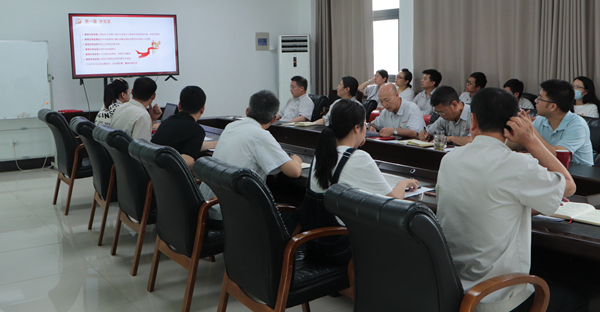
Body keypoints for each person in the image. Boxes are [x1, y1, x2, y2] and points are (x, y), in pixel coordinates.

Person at [436, 87, 585, 312]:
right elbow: (569, 186)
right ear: (512, 123)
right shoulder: (518, 165)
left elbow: (490, 204)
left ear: (473, 120)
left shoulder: (450, 160)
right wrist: (531, 141)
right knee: (576, 298)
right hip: (495, 297)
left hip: (453, 290)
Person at [300, 99, 418, 263]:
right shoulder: (360, 158)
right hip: (341, 248)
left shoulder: (322, 153)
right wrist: (404, 183)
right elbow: (395, 200)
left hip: (314, 244)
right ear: (357, 128)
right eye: (365, 125)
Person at [200, 90, 303, 223]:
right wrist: (296, 160)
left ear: (247, 111)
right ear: (273, 119)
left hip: (208, 206)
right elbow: (294, 172)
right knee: (296, 214)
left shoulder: (231, 126)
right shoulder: (261, 135)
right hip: (233, 215)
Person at [528, 79, 594, 166]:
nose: (536, 101)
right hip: (550, 169)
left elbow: (559, 156)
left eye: (539, 98)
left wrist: (530, 129)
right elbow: (516, 146)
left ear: (552, 106)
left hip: (577, 172)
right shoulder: (541, 119)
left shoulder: (578, 125)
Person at [152, 86, 218, 170]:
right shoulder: (197, 130)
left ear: (179, 105)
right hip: (169, 175)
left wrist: (215, 144)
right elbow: (187, 163)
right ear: (202, 109)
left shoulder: (166, 122)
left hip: (153, 172)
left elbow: (193, 145)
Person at [110, 77, 161, 141]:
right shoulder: (143, 115)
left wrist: (152, 119)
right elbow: (141, 146)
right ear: (153, 96)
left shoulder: (121, 107)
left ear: (132, 91)